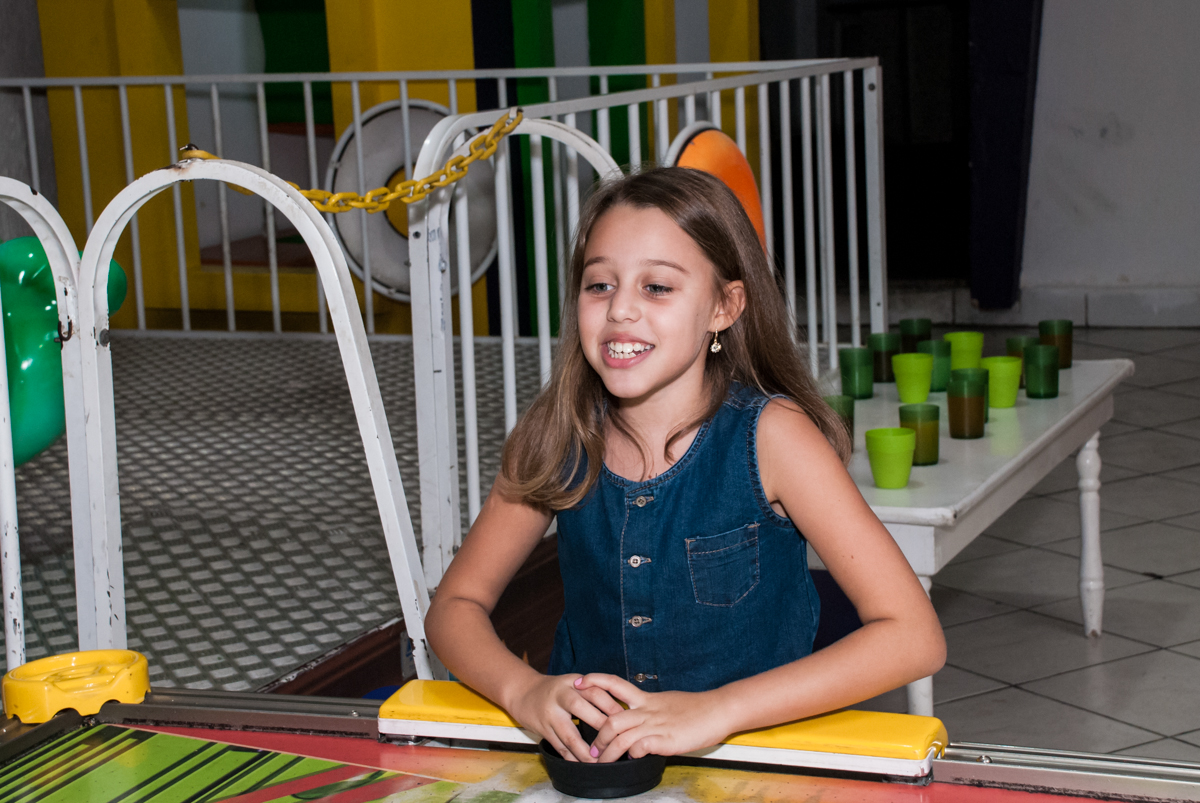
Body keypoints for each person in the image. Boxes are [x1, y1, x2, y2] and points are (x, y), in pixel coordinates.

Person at [425, 167, 945, 765]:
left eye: (657, 288)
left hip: (757, 761)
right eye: (600, 285)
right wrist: (523, 690)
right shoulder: (556, 435)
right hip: (597, 769)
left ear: (724, 306)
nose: (621, 309)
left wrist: (718, 709)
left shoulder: (775, 439)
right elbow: (454, 608)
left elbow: (913, 636)